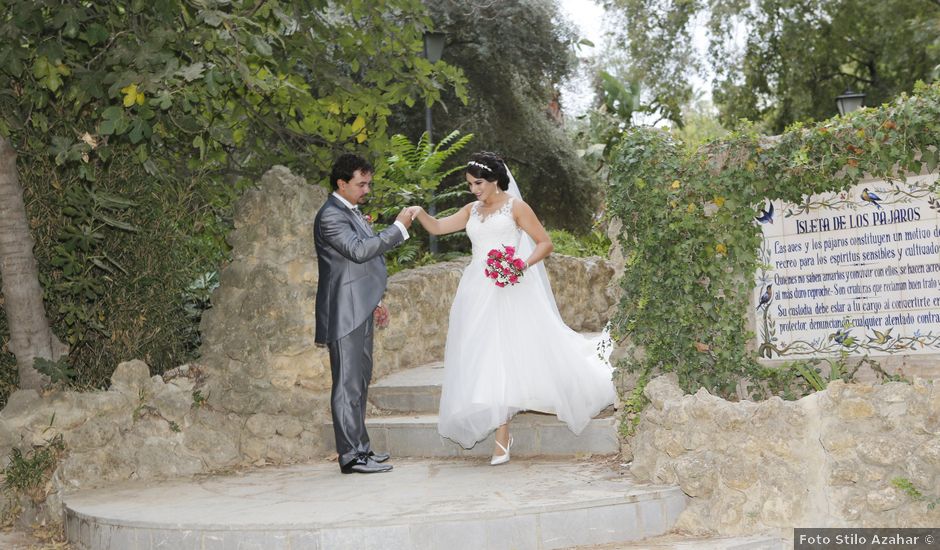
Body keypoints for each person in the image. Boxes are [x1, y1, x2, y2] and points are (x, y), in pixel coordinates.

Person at [409, 152, 616, 465]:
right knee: (484, 352)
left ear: (494, 179)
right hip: (477, 288)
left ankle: (502, 435)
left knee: (507, 350)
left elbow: (545, 243)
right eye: (469, 184)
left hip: (510, 286)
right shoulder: (471, 210)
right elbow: (438, 227)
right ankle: (497, 418)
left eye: (478, 183)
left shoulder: (516, 207)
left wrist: (520, 264)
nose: (474, 189)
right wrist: (419, 212)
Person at [314, 153, 416, 474]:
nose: (366, 190)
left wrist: (376, 300)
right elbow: (359, 251)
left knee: (359, 381)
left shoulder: (350, 211)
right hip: (343, 312)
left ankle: (362, 448)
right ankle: (350, 457)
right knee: (346, 385)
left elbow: (364, 261)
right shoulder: (330, 216)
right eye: (361, 184)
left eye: (369, 183)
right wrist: (399, 227)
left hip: (360, 307)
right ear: (341, 183)